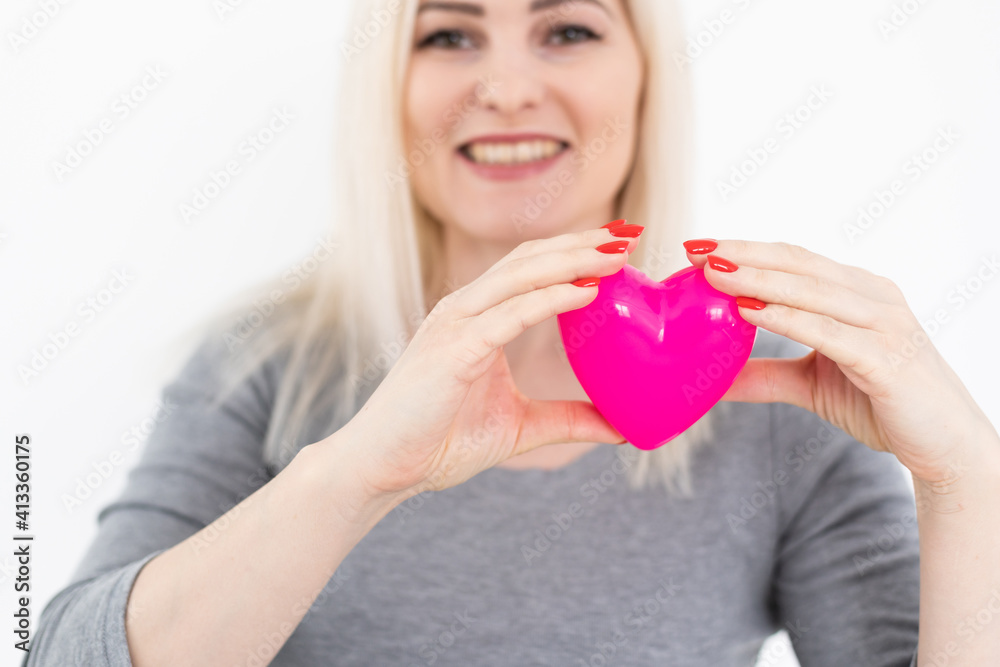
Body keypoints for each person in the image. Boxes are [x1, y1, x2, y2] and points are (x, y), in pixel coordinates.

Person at [25, 0, 1000, 665]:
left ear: (646, 79)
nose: (502, 88)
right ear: (387, 85)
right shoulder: (264, 366)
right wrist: (360, 470)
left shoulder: (784, 388)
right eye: (449, 35)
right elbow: (67, 650)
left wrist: (967, 480)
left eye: (566, 29)